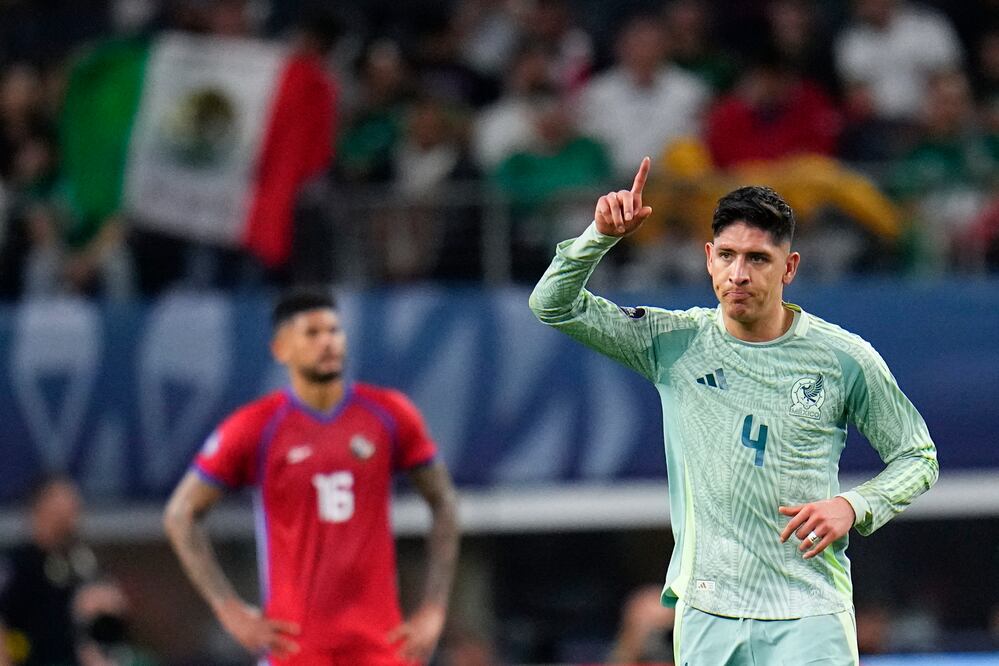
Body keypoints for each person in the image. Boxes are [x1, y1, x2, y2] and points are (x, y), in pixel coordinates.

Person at [528, 157, 939, 664]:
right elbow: (553, 304)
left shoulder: (843, 358)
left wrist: (853, 506)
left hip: (809, 610)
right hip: (707, 611)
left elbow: (918, 456)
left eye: (758, 259)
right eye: (726, 255)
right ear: (708, 258)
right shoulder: (672, 342)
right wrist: (599, 236)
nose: (738, 274)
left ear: (789, 267)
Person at [163, 288, 460, 665]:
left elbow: (444, 501)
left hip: (381, 642)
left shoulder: (389, 414)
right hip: (295, 646)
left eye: (334, 331)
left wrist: (434, 607)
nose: (328, 343)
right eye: (312, 333)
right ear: (281, 348)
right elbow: (180, 514)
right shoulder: (257, 427)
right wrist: (229, 609)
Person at [0, 475, 99, 666]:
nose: (73, 511)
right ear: (41, 507)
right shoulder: (18, 564)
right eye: (64, 502)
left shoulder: (81, 561)